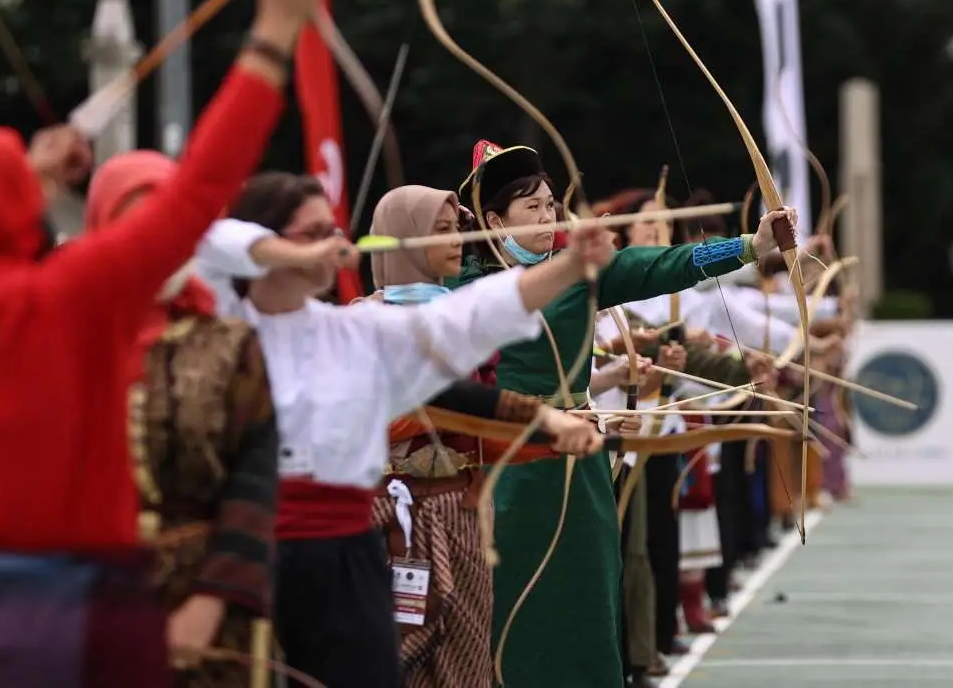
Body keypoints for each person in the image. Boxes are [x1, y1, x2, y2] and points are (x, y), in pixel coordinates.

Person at [0, 0, 319, 687]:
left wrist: (23, 177)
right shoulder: (70, 297)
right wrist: (272, 36)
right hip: (85, 622)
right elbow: (197, 192)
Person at [227, 171, 609, 688]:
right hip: (250, 547)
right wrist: (290, 256)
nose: (331, 245)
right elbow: (200, 239)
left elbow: (464, 330)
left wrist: (567, 266)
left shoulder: (352, 331)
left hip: (350, 548)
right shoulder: (223, 328)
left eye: (332, 232)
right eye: (310, 233)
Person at [453, 140, 797, 688]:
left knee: (587, 594)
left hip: (577, 460)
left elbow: (661, 264)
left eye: (549, 206)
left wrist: (749, 247)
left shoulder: (578, 274)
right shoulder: (461, 286)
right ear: (493, 220)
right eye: (531, 209)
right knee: (512, 596)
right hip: (505, 464)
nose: (547, 219)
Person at [368, 185, 601, 688]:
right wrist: (546, 424)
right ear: (403, 241)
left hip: (462, 511)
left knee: (467, 659)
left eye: (459, 228)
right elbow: (437, 405)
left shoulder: (447, 315)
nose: (460, 240)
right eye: (443, 230)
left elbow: (471, 423)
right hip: (394, 519)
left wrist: (559, 433)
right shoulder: (365, 322)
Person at [83, 151, 279, 687]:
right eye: (136, 225)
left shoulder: (232, 347)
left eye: (170, 224)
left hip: (208, 605)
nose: (156, 244)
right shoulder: (69, 343)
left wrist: (210, 603)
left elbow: (254, 486)